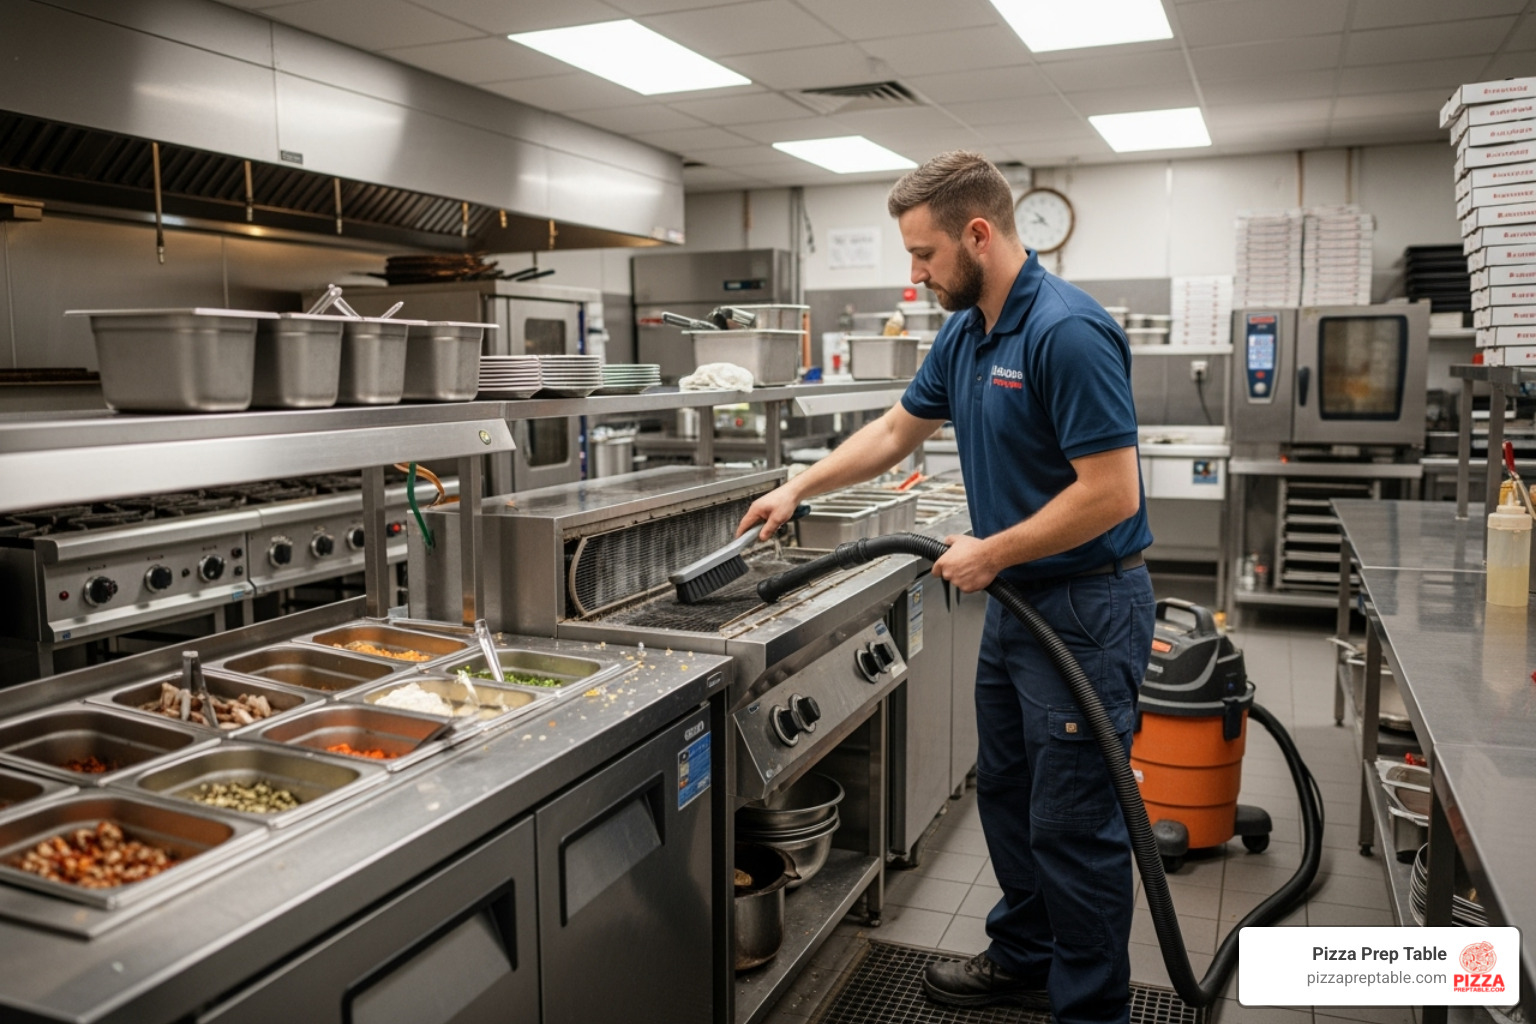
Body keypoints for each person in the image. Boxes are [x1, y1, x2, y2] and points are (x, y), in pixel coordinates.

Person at [738, 151, 1156, 1024]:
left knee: (1074, 827)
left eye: (924, 255)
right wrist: (796, 488)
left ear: (979, 233)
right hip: (1015, 607)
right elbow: (897, 427)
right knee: (1008, 797)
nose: (915, 274)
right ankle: (1025, 958)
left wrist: (995, 548)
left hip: (1083, 610)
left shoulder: (1066, 332)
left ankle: (1091, 1010)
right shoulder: (968, 332)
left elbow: (1113, 493)